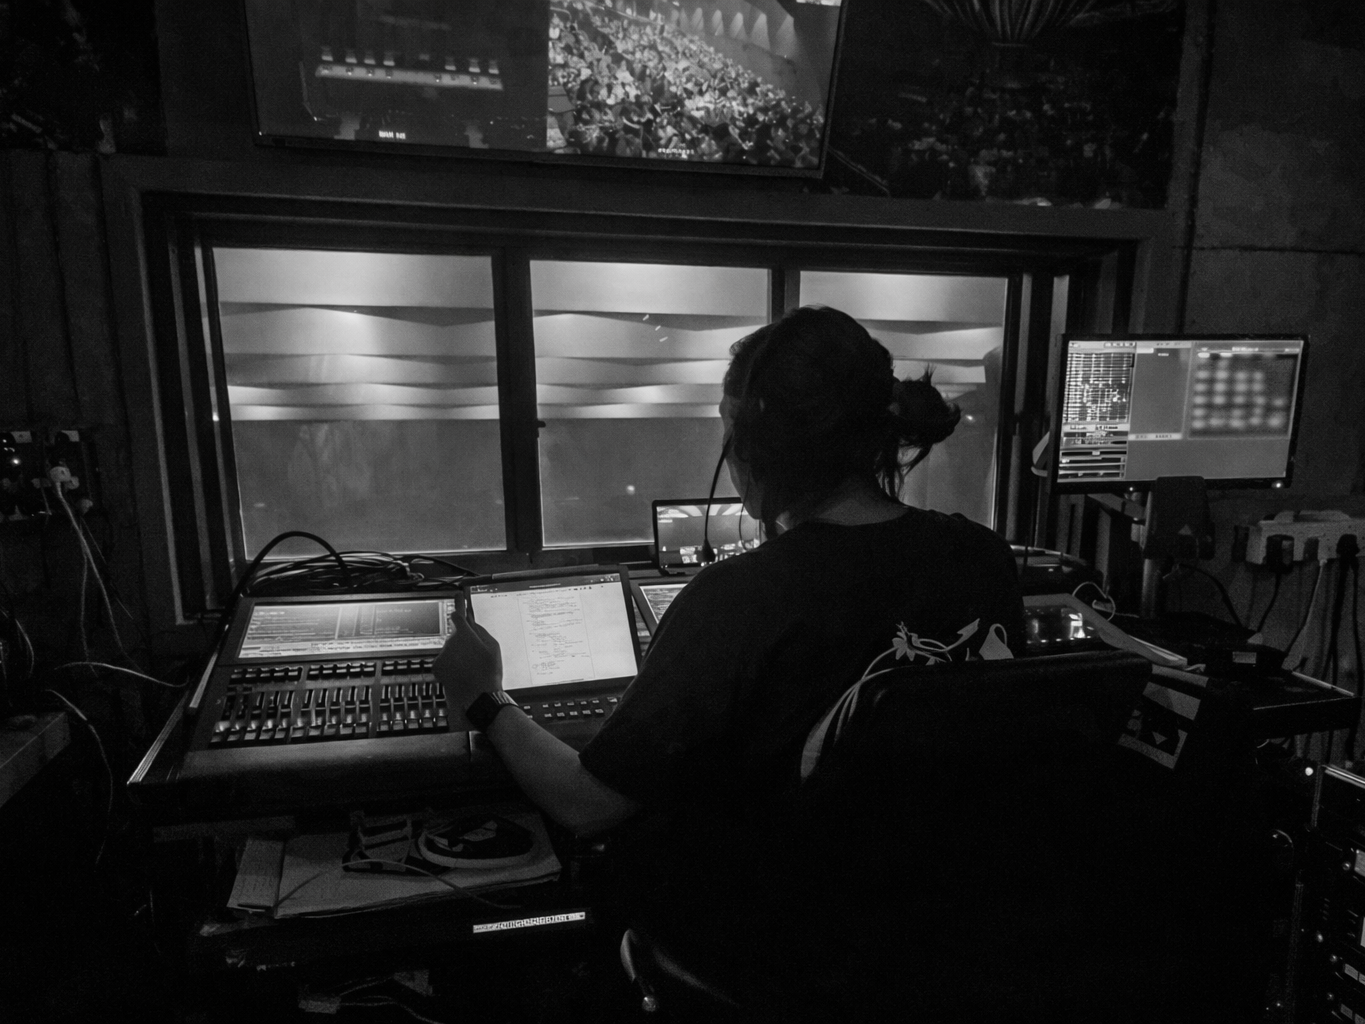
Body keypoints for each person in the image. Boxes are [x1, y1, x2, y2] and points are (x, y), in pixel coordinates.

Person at [433, 304, 1024, 1007]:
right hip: (938, 946)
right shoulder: (981, 559)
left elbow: (585, 803)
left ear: (754, 441)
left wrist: (485, 698)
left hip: (761, 961)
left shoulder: (740, 597)